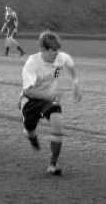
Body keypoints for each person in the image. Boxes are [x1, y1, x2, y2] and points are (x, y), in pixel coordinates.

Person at [18, 30, 82, 175]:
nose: (56, 54)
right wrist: (49, 95)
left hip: (50, 100)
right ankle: (31, 135)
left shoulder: (60, 57)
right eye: (52, 51)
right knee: (30, 128)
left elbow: (70, 64)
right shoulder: (32, 63)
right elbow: (28, 91)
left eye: (57, 50)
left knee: (57, 123)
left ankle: (53, 164)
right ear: (42, 49)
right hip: (31, 100)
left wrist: (76, 85)